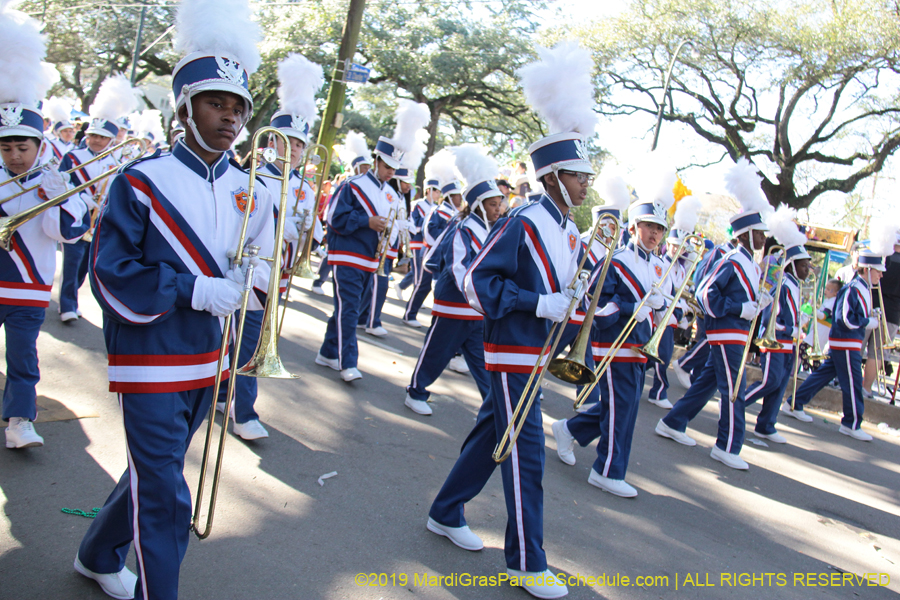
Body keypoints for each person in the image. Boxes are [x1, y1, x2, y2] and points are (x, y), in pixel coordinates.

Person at [74, 2, 274, 597]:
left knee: (150, 474)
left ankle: (95, 551)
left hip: (210, 352)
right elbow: (109, 274)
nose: (230, 117)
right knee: (166, 492)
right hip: (150, 352)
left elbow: (262, 264)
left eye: (238, 107)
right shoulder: (142, 179)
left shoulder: (254, 188)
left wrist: (258, 271)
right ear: (184, 108)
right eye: (216, 103)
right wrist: (193, 288)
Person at [427, 42, 598, 599]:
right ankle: (526, 559)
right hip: (509, 349)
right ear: (552, 177)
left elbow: (558, 290)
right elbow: (477, 279)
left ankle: (445, 510)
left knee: (489, 435)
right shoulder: (523, 219)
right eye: (577, 176)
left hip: (536, 351)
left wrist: (568, 307)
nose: (586, 184)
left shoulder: (569, 229)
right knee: (525, 453)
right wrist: (537, 303)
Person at [215, 52, 322, 441]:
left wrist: (311, 229)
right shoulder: (252, 177)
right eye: (287, 141)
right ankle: (245, 413)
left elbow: (312, 232)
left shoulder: (305, 186)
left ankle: (227, 394)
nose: (293, 149)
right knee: (249, 340)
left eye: (299, 144)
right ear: (272, 142)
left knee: (243, 338)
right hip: (251, 271)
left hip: (280, 271)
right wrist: (282, 225)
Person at [1, 4, 90, 449]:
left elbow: (69, 233)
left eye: (23, 146)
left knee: (23, 357)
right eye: (7, 147)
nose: (15, 155)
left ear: (39, 146)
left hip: (29, 286)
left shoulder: (56, 180)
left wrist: (53, 197)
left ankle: (20, 420)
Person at [551, 181, 672, 498]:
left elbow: (657, 309)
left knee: (622, 408)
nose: (654, 234)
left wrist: (670, 308)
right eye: (648, 226)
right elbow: (597, 310)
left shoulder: (659, 265)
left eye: (659, 229)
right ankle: (607, 471)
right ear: (634, 227)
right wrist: (636, 306)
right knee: (622, 412)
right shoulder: (614, 260)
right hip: (612, 346)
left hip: (638, 346)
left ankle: (569, 430)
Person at [655, 158, 772, 471]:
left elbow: (734, 297)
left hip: (736, 333)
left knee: (708, 383)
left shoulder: (747, 262)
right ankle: (727, 445)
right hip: (726, 333)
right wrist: (740, 308)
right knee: (734, 389)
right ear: (745, 233)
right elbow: (707, 293)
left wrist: (756, 304)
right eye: (759, 233)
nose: (763, 238)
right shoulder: (732, 258)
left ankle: (673, 421)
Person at [404, 146, 501, 416]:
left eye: (499, 203)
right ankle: (415, 391)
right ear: (479, 205)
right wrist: (484, 292)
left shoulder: (493, 231)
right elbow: (460, 269)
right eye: (493, 204)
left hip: (476, 309)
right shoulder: (463, 228)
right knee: (437, 351)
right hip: (453, 304)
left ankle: (495, 410)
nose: (498, 208)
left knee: (482, 363)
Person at [316, 126, 419, 381]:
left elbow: (390, 226)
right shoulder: (353, 185)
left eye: (394, 168)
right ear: (376, 161)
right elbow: (334, 217)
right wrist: (367, 221)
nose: (391, 172)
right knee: (349, 309)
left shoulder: (391, 193)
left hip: (371, 259)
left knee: (346, 308)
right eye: (387, 166)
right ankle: (347, 362)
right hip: (347, 256)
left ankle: (327, 353)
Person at [58, 74, 139, 323]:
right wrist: (84, 199)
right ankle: (67, 305)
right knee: (71, 263)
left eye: (102, 137)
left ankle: (72, 299)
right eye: (94, 135)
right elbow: (62, 186)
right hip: (75, 216)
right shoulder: (73, 157)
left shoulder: (116, 163)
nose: (96, 140)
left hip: (97, 222)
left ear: (110, 140)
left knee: (85, 265)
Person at [786, 248, 887, 440]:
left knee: (823, 375)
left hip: (848, 342)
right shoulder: (854, 288)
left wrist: (870, 316)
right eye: (878, 270)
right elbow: (844, 318)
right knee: (854, 382)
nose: (881, 274)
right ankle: (851, 423)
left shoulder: (862, 287)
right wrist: (867, 322)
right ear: (867, 269)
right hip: (846, 342)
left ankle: (794, 403)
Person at [744, 218, 811, 444]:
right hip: (776, 339)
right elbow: (772, 315)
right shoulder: (781, 281)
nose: (807, 270)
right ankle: (735, 404)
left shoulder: (796, 284)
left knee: (781, 383)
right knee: (770, 381)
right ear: (791, 265)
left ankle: (766, 424)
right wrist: (792, 328)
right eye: (804, 266)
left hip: (789, 342)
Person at [402, 148, 462, 328]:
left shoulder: (456, 213)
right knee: (422, 284)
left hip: (442, 254)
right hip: (427, 251)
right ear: (450, 196)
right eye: (458, 195)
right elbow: (428, 232)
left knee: (436, 287)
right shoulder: (438, 211)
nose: (460, 199)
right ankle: (409, 314)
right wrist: (445, 243)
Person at [311, 132, 372, 296]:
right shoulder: (347, 184)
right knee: (332, 254)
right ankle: (318, 280)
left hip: (354, 229)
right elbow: (335, 210)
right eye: (365, 167)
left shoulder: (367, 186)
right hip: (340, 226)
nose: (368, 170)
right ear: (357, 167)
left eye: (369, 167)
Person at [862, 234, 900, 397]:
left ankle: (849, 382)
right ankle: (866, 388)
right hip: (892, 312)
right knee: (877, 352)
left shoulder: (882, 256)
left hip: (869, 303)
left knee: (857, 345)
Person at [395, 176, 441, 303]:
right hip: (416, 243)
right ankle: (414, 301)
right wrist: (428, 222)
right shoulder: (418, 204)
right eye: (436, 190)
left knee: (421, 272)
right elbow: (414, 224)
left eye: (439, 191)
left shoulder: (436, 207)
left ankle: (402, 287)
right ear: (429, 190)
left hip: (427, 244)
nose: (438, 194)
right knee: (419, 274)